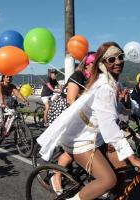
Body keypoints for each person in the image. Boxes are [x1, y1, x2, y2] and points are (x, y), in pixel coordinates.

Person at [37, 42, 140, 200]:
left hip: (95, 136)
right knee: (108, 180)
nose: (118, 62)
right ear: (103, 63)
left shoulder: (110, 82)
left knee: (123, 169)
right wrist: (133, 157)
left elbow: (112, 114)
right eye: (111, 59)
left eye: (120, 57)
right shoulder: (105, 87)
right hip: (81, 139)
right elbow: (110, 127)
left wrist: (126, 106)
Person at [49, 52, 95, 193]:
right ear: (87, 64)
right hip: (66, 112)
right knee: (73, 149)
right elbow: (71, 100)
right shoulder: (77, 76)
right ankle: (56, 177)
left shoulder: (94, 78)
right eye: (96, 63)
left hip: (80, 113)